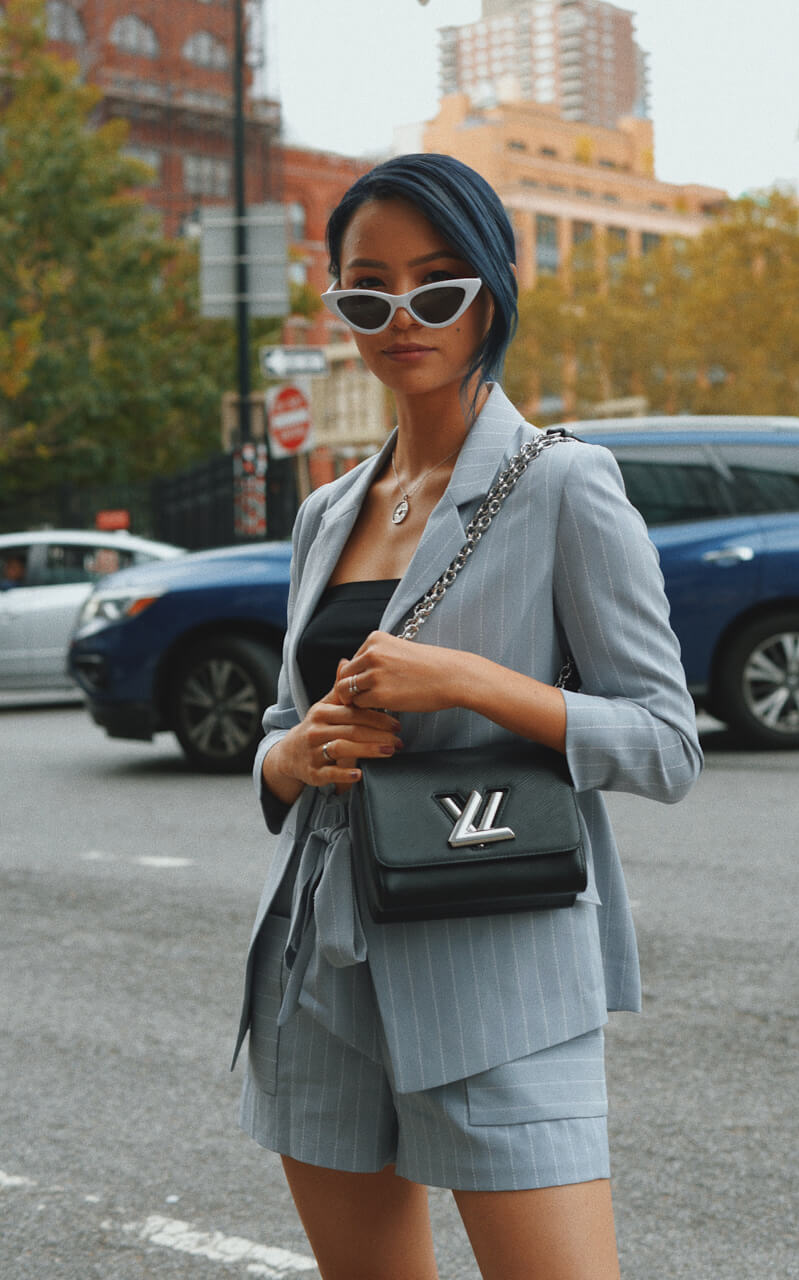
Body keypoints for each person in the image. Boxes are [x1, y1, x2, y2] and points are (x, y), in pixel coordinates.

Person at [233, 153, 703, 1280]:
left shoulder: (563, 484)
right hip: (316, 967)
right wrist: (291, 755)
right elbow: (284, 722)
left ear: (491, 292)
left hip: (496, 964)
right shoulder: (326, 511)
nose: (403, 316)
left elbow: (665, 742)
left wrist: (468, 681)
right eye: (367, 293)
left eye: (437, 285)